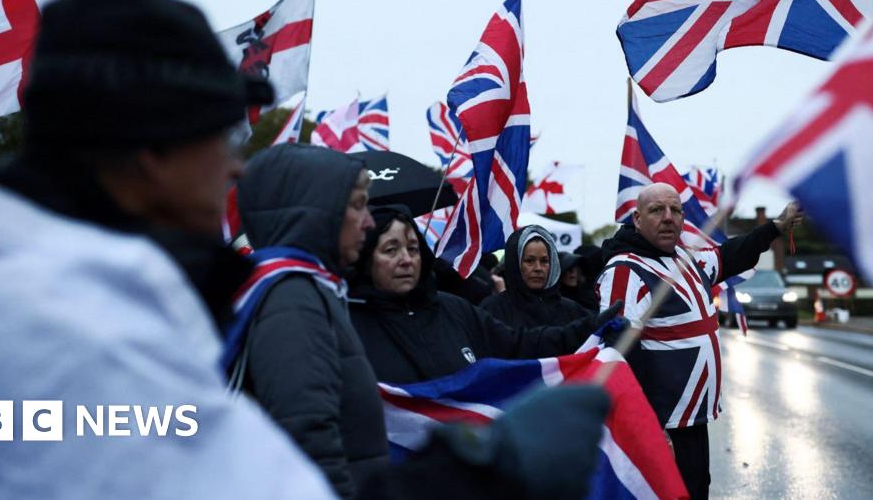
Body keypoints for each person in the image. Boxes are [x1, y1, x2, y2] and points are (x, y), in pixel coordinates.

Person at [0, 0, 336, 498]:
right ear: (154, 147)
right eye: (222, 136)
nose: (237, 165)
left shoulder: (49, 294)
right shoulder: (63, 327)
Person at [597, 183, 802, 500]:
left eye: (675, 210)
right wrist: (645, 426)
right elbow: (618, 353)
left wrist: (775, 226)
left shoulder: (686, 259)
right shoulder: (625, 269)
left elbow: (731, 254)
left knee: (694, 491)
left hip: (691, 419)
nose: (669, 218)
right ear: (636, 219)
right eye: (657, 210)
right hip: (659, 423)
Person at [227, 144, 386, 498]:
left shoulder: (302, 288)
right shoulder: (293, 298)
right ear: (318, 211)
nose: (370, 222)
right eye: (358, 204)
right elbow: (307, 439)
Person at [349, 205, 622, 385]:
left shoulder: (454, 310)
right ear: (366, 258)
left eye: (413, 248)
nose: (406, 260)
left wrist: (588, 327)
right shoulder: (346, 324)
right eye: (390, 250)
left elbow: (519, 344)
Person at [479, 226, 589, 328]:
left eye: (544, 261)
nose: (538, 268)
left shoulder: (572, 311)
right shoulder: (492, 310)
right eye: (529, 261)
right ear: (515, 264)